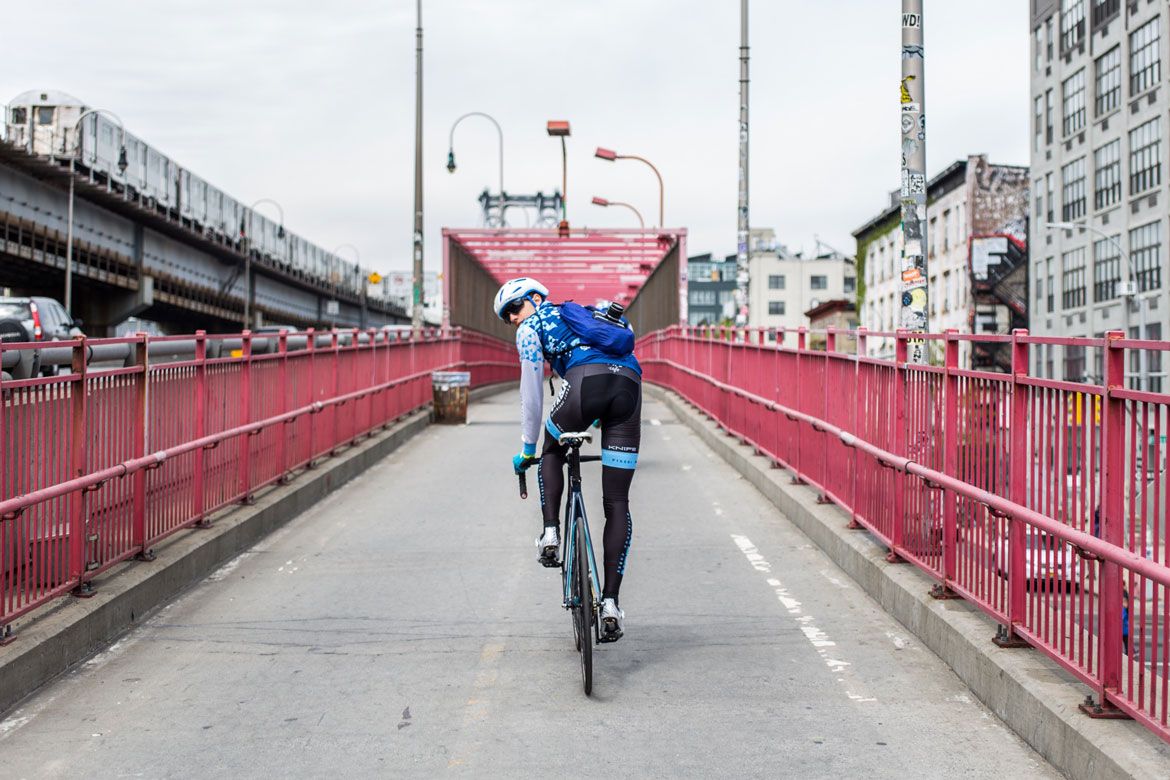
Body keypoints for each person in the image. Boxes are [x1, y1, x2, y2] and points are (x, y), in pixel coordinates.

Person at [493, 277, 642, 642]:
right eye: (506, 316)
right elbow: (620, 348)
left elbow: (531, 392)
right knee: (617, 501)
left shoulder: (533, 326)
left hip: (584, 385)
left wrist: (528, 447)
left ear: (536, 298)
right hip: (630, 387)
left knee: (550, 451)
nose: (512, 318)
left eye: (514, 307)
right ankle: (610, 604)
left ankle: (550, 533)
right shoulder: (596, 314)